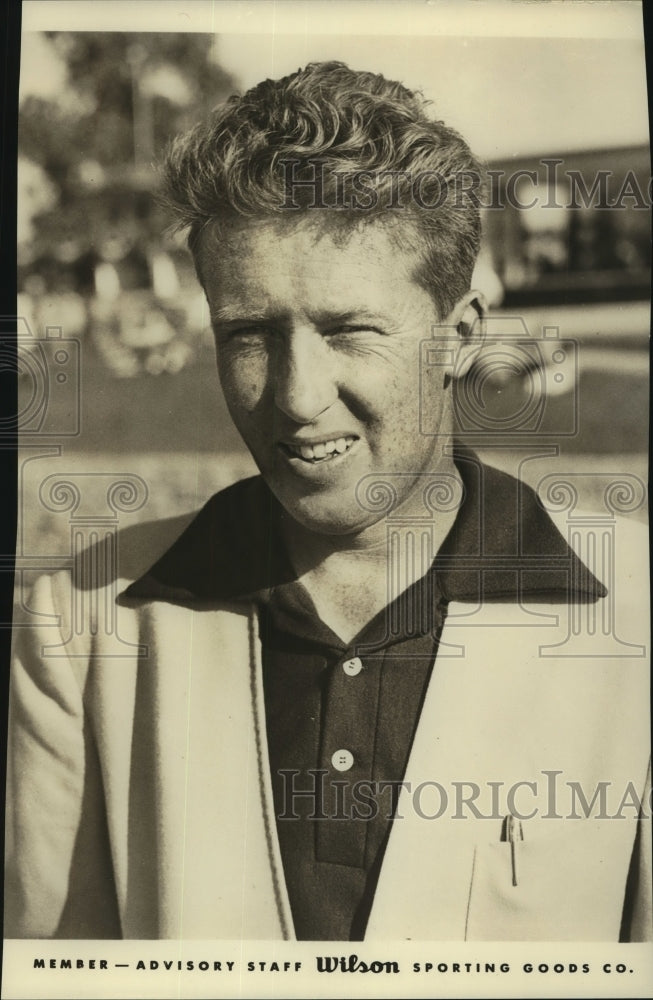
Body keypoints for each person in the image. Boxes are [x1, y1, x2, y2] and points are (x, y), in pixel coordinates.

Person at [5, 62, 650, 942]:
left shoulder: (636, 617)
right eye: (250, 335)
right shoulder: (80, 628)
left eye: (349, 331)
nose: (297, 397)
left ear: (458, 337)